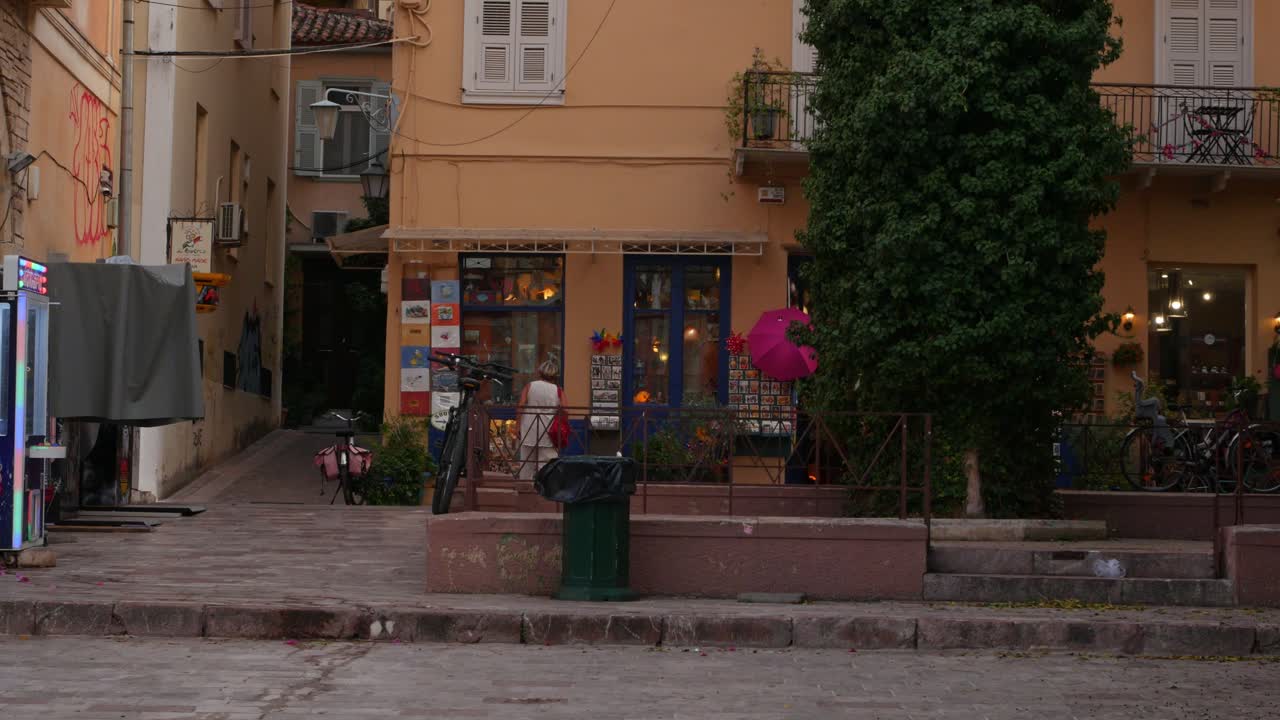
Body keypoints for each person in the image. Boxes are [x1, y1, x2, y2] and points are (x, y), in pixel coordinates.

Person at [516, 360, 562, 480]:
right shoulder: (558, 390)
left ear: (540, 372)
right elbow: (566, 409)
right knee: (547, 463)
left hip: (529, 428)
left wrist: (517, 426)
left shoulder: (530, 385)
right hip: (548, 430)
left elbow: (521, 405)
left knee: (526, 463)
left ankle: (525, 489)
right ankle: (545, 490)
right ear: (555, 375)